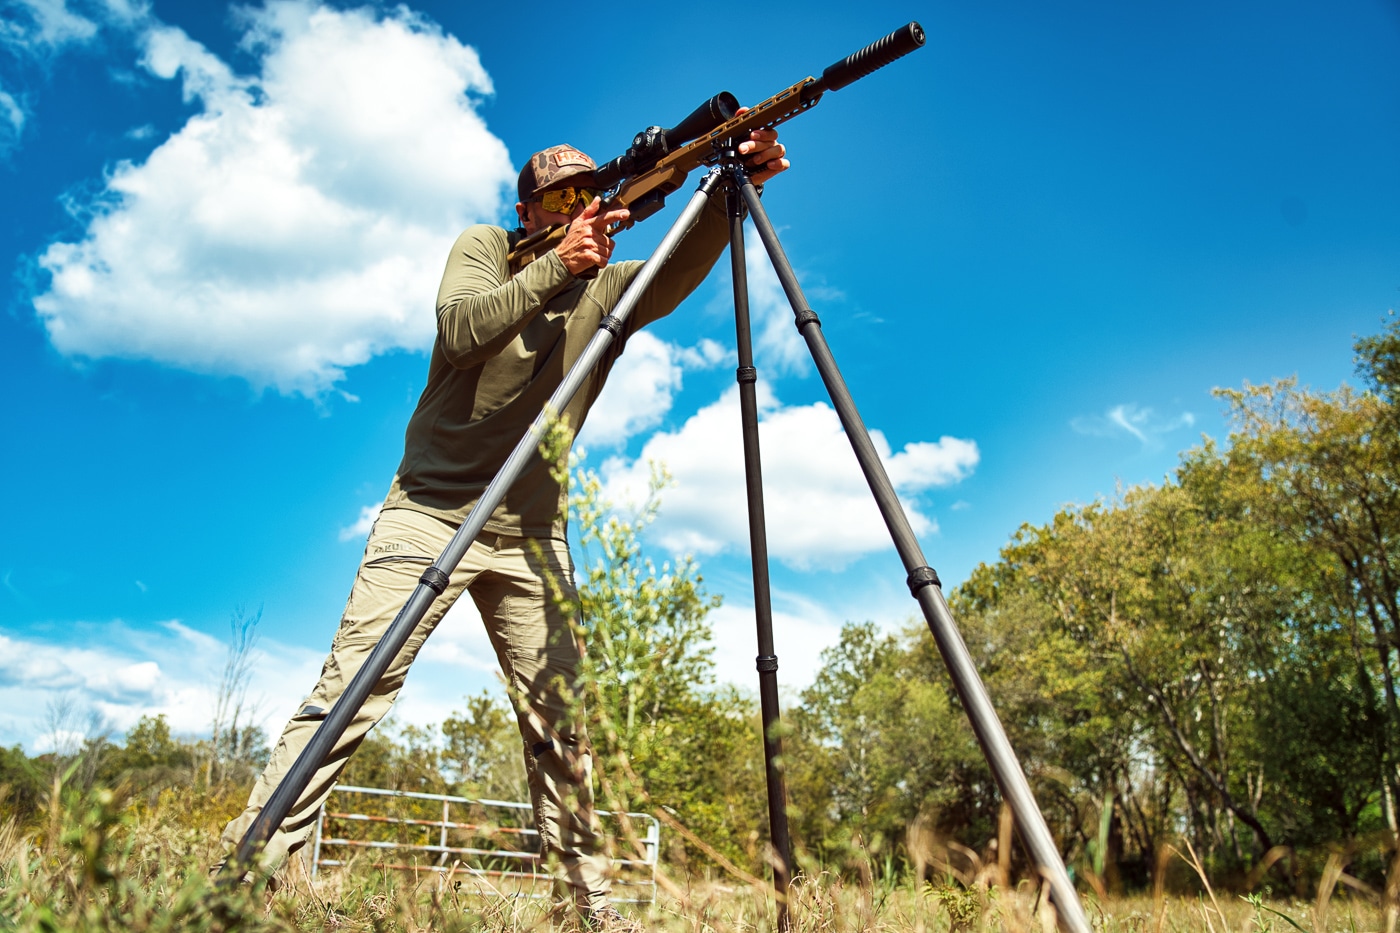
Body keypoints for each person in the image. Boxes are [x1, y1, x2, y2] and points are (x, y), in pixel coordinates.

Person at [216, 125, 789, 921]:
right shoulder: (486, 248)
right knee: (351, 687)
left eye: (583, 197)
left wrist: (733, 188)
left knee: (564, 725)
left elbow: (676, 275)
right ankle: (248, 869)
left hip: (531, 532)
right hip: (429, 508)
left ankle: (586, 902)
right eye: (554, 199)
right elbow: (461, 328)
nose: (570, 208)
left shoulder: (604, 287)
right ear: (526, 212)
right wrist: (558, 262)